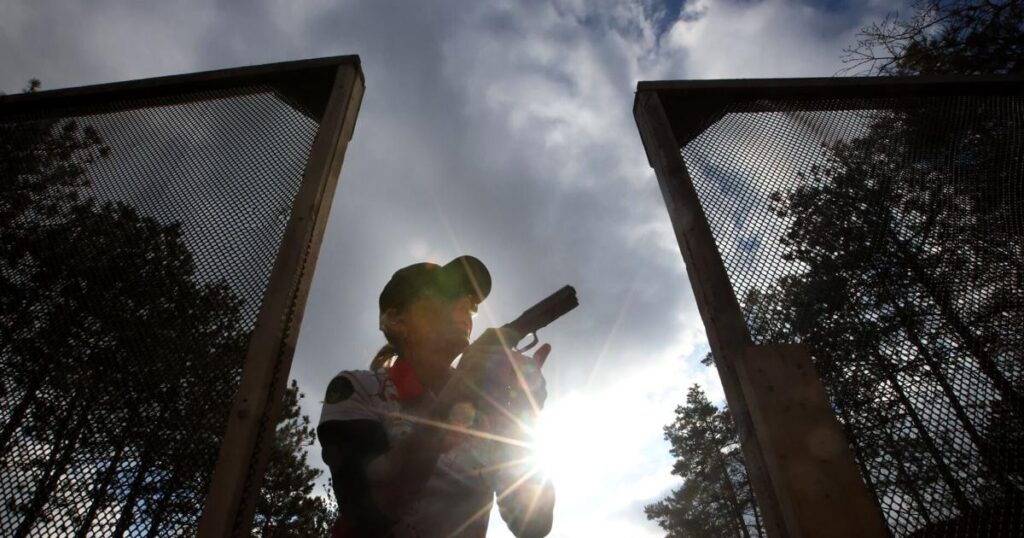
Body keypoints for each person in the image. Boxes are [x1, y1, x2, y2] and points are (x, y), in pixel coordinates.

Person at [318, 255, 555, 537]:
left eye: (470, 303)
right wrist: (456, 394)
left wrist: (519, 418)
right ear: (396, 319)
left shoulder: (483, 410)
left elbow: (534, 525)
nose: (465, 305)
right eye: (444, 293)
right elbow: (368, 513)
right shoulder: (359, 388)